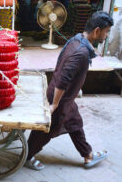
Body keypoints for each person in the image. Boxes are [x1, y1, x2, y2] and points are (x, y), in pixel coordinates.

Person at [25, 11, 113, 170]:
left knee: (75, 123)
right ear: (97, 31)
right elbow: (64, 79)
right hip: (60, 99)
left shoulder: (77, 39)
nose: (106, 36)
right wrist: (55, 105)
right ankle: (27, 156)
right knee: (45, 131)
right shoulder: (81, 52)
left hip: (65, 97)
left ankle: (88, 156)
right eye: (106, 32)